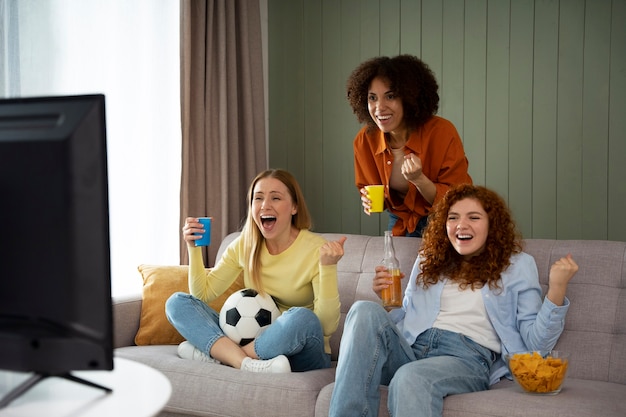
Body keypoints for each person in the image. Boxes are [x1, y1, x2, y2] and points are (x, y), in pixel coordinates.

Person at [328, 184, 578, 416]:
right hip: (412, 348)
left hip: (466, 358)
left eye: (474, 217)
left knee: (410, 377)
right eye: (453, 217)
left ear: (492, 224)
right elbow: (406, 315)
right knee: (364, 309)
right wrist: (388, 302)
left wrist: (556, 289)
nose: (461, 225)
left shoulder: (518, 265)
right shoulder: (429, 258)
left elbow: (536, 345)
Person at [166, 169, 346, 373]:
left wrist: (328, 266)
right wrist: (194, 248)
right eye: (258, 198)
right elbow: (203, 294)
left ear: (294, 207)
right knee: (177, 303)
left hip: (303, 353)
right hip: (255, 341)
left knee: (302, 317)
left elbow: (325, 327)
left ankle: (225, 356)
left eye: (276, 198)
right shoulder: (245, 244)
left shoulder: (316, 249)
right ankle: (245, 362)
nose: (265, 205)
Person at [347, 54, 473, 237]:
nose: (379, 107)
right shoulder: (364, 140)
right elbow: (375, 194)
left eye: (390, 96)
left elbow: (458, 201)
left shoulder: (442, 132)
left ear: (409, 98)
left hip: (444, 219)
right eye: (372, 98)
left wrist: (419, 179)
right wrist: (371, 201)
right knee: (394, 265)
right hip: (401, 219)